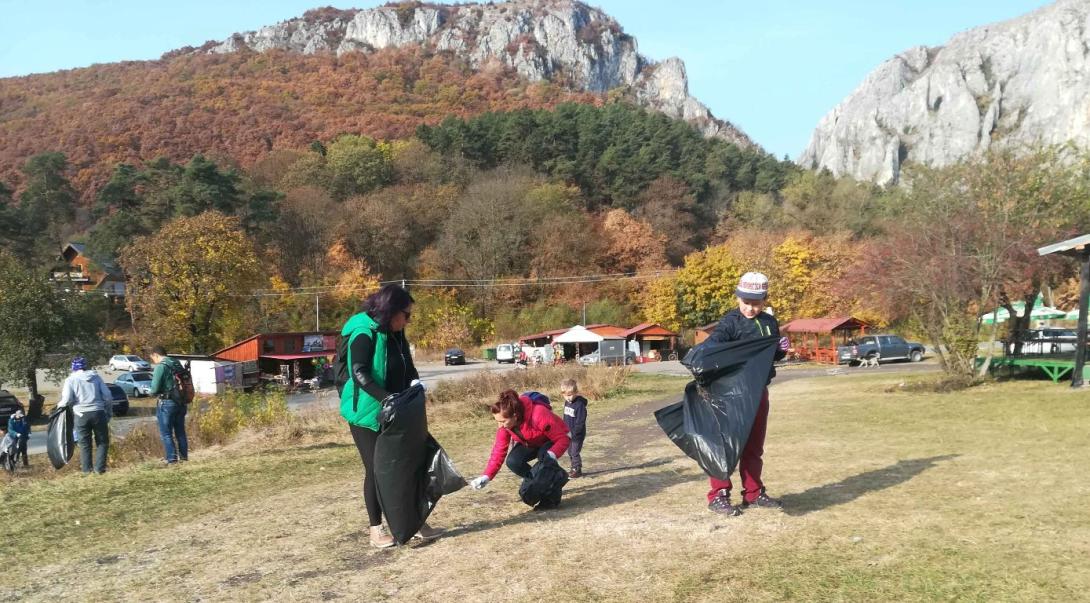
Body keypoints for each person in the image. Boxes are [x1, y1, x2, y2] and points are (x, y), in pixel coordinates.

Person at [338, 283, 441, 548]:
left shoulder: (395, 332)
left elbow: (407, 364)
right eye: (405, 314)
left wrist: (415, 384)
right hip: (367, 413)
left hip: (398, 410)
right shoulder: (363, 332)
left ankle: (414, 523)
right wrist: (386, 398)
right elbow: (360, 373)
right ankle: (376, 530)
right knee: (376, 469)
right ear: (390, 311)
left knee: (408, 465)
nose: (409, 320)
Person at [705, 272, 790, 516]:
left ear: (764, 300)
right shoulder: (729, 322)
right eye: (746, 302)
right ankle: (718, 494)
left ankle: (753, 493)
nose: (750, 309)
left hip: (758, 391)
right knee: (725, 443)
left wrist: (780, 350)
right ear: (738, 298)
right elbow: (716, 344)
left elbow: (770, 355)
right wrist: (705, 351)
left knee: (754, 445)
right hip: (731, 392)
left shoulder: (770, 323)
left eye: (755, 303)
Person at [470, 390, 572, 507]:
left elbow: (563, 438)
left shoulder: (539, 413)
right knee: (513, 462)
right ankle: (543, 482)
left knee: (544, 459)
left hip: (552, 440)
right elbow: (498, 451)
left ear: (515, 416)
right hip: (531, 442)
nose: (500, 426)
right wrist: (487, 476)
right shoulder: (505, 426)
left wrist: (552, 454)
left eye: (503, 421)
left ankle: (552, 491)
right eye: (497, 421)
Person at [56, 357, 112, 475]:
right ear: (85, 366)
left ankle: (87, 471)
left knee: (84, 444)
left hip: (80, 415)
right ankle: (99, 469)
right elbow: (107, 396)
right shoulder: (96, 377)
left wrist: (58, 408)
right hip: (98, 412)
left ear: (73, 368)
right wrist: (108, 411)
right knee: (102, 442)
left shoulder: (70, 380)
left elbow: (66, 400)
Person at [149, 346, 188, 465]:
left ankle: (172, 459)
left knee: (166, 433)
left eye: (152, 358)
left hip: (167, 403)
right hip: (181, 401)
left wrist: (150, 392)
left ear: (156, 355)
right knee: (180, 432)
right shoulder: (176, 363)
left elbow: (155, 388)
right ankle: (184, 458)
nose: (153, 361)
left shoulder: (161, 366)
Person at [560, 379, 588, 478]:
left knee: (574, 452)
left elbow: (580, 423)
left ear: (576, 392)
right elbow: (565, 417)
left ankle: (577, 469)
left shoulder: (580, 406)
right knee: (570, 451)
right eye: (566, 395)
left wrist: (573, 433)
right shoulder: (567, 403)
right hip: (568, 433)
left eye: (571, 394)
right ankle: (573, 468)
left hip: (577, 434)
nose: (568, 397)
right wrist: (563, 429)